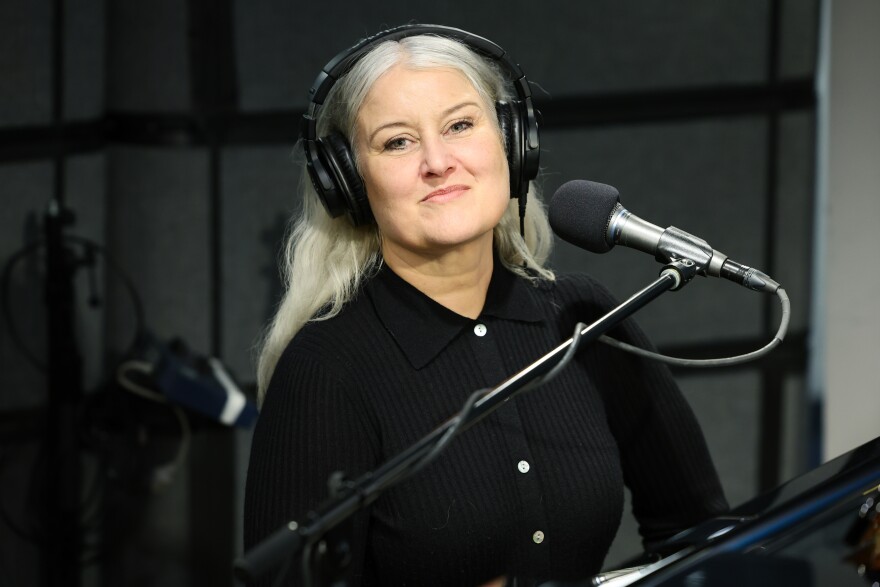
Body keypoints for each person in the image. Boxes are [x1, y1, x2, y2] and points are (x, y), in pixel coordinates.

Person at [243, 24, 728, 587]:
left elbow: (699, 535)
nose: (437, 161)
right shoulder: (326, 371)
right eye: (397, 141)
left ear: (512, 141)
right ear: (348, 182)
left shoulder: (583, 319)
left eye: (460, 125)